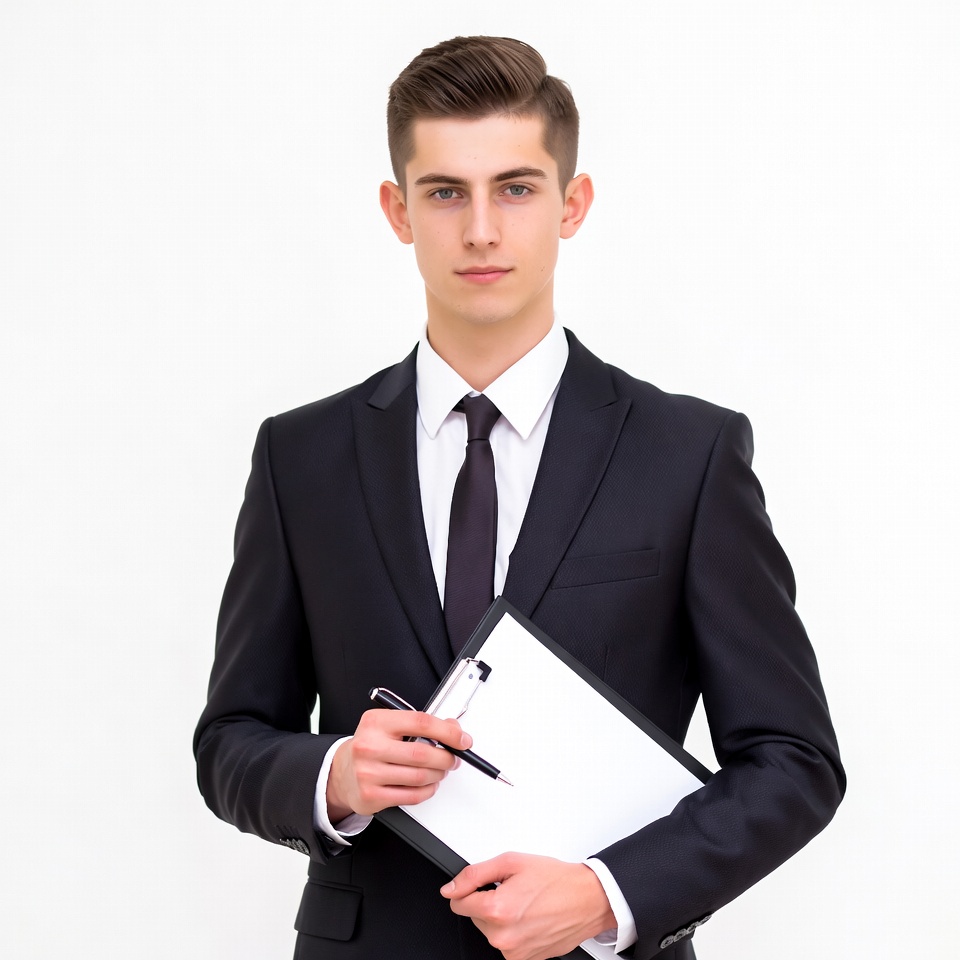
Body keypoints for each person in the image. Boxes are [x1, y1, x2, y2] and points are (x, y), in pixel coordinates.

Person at [194, 35, 844, 960]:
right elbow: (230, 742)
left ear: (571, 204)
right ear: (398, 209)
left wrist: (609, 894)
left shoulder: (687, 453)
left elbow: (794, 763)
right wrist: (333, 771)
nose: (483, 231)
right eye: (446, 192)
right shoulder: (301, 456)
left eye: (517, 188)